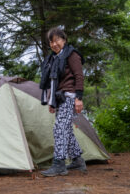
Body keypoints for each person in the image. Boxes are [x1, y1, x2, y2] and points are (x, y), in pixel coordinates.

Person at [39, 27, 87, 177]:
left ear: (64, 40)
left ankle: (59, 164)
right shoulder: (54, 58)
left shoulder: (71, 55)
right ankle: (77, 160)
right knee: (65, 129)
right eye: (51, 42)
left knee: (59, 128)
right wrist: (51, 102)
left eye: (57, 40)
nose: (54, 44)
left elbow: (79, 76)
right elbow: (53, 82)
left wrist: (78, 98)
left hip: (70, 97)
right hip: (59, 98)